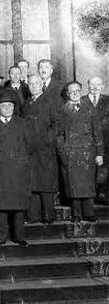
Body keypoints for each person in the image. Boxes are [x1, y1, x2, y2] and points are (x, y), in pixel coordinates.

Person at [0, 89, 32, 247]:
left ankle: (19, 236)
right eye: (4, 106)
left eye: (10, 106)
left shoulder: (22, 123)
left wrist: (22, 161)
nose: (7, 108)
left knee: (18, 205)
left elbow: (30, 145)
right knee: (0, 206)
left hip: (17, 170)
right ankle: (0, 237)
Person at [56, 81, 104, 222]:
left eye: (78, 90)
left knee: (88, 185)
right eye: (72, 91)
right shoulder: (62, 111)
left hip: (88, 152)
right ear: (67, 94)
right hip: (71, 153)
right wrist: (63, 151)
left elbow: (98, 132)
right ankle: (76, 214)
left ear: (81, 91)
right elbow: (58, 135)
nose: (75, 94)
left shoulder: (90, 109)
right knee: (73, 185)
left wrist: (100, 153)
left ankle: (89, 213)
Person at [22, 74, 59, 224]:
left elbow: (57, 124)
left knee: (46, 183)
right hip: (30, 150)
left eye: (36, 83)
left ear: (42, 85)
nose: (33, 86)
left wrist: (47, 141)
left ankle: (48, 216)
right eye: (31, 84)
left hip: (45, 150)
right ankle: (34, 216)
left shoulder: (50, 101)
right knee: (33, 183)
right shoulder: (26, 104)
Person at [81, 77, 109, 204]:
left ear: (102, 86)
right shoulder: (81, 100)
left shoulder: (108, 100)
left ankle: (103, 194)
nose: (95, 87)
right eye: (92, 84)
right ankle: (90, 196)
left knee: (104, 168)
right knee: (88, 168)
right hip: (87, 142)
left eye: (98, 84)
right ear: (88, 85)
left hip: (106, 140)